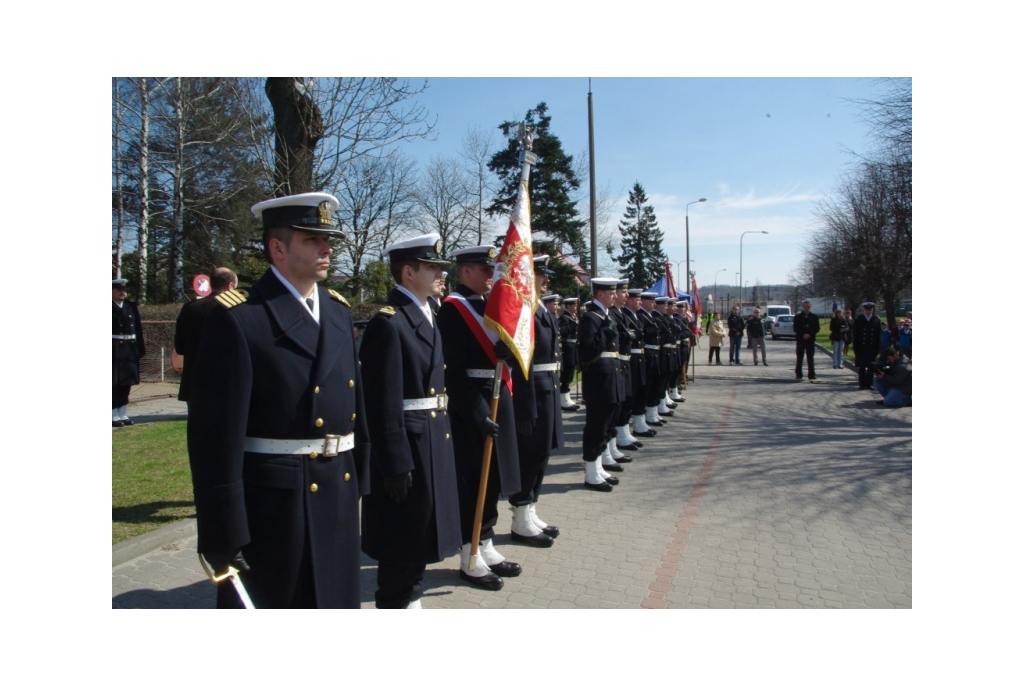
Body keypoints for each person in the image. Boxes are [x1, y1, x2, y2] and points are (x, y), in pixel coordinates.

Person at [186, 192, 370, 609]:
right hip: (275, 503)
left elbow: (357, 406)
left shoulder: (338, 313)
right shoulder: (240, 318)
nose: (326, 249)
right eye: (311, 240)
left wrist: (365, 480)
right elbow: (213, 437)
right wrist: (222, 529)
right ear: (278, 248)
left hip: (338, 488)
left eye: (328, 240)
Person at [358, 233, 461, 609]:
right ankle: (397, 601)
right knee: (402, 537)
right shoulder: (390, 323)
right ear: (407, 273)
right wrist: (394, 462)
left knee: (422, 530)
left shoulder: (427, 313)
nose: (440, 274)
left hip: (433, 436)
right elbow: (381, 401)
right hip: (408, 443)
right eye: (432, 267)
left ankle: (410, 595)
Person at [437, 245, 523, 591]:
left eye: (492, 270)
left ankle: (486, 542)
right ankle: (468, 554)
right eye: (483, 270)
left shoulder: (491, 305)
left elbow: (509, 355)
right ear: (465, 271)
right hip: (470, 406)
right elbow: (451, 372)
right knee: (473, 480)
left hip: (497, 395)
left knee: (493, 480)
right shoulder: (452, 310)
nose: (490, 276)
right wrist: (476, 413)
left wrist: (510, 355)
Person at [509, 257, 564, 547]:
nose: (546, 281)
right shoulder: (524, 310)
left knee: (542, 454)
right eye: (541, 275)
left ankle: (530, 510)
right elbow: (521, 363)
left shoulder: (541, 309)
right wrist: (525, 407)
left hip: (549, 389)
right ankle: (520, 516)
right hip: (534, 392)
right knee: (530, 455)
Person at [577, 277, 626, 492]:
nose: (615, 296)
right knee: (596, 425)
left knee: (606, 425)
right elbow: (588, 351)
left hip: (611, 377)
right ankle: (590, 472)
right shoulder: (591, 318)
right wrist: (606, 330)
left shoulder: (605, 316)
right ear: (600, 295)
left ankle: (598, 467)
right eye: (611, 293)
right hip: (599, 380)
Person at [172, 267, 238, 407]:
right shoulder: (236, 308)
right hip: (226, 382)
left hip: (195, 381)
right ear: (230, 285)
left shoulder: (190, 308)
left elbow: (180, 347)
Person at [112, 278, 146, 427]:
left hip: (130, 347)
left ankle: (122, 411)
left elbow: (137, 328)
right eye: (119, 289)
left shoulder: (130, 306)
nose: (122, 292)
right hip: (113, 347)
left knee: (127, 382)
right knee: (113, 382)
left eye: (124, 290)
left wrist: (140, 348)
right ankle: (112, 413)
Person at [558, 296, 582, 411]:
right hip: (567, 347)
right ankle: (563, 398)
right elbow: (562, 331)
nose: (575, 307)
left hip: (574, 346)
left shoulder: (573, 317)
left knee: (571, 373)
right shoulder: (564, 317)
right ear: (568, 306)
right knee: (567, 373)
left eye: (576, 305)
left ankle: (566, 396)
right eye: (573, 305)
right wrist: (572, 326)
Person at [853, 302, 883, 390]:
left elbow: (878, 335)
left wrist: (878, 347)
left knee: (871, 366)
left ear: (872, 310)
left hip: (872, 347)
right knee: (862, 367)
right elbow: (856, 334)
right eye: (867, 310)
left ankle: (869, 384)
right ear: (864, 310)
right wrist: (856, 348)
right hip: (861, 347)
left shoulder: (876, 320)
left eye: (870, 310)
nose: (868, 311)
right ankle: (862, 384)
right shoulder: (859, 319)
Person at [793, 299, 820, 380]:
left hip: (810, 340)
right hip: (801, 340)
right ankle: (798, 374)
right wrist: (803, 334)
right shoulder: (798, 317)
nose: (806, 308)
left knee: (810, 358)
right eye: (805, 306)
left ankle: (811, 374)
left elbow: (817, 328)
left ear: (810, 307)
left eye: (808, 306)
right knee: (799, 357)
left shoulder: (814, 317)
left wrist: (809, 334)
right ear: (803, 307)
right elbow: (795, 328)